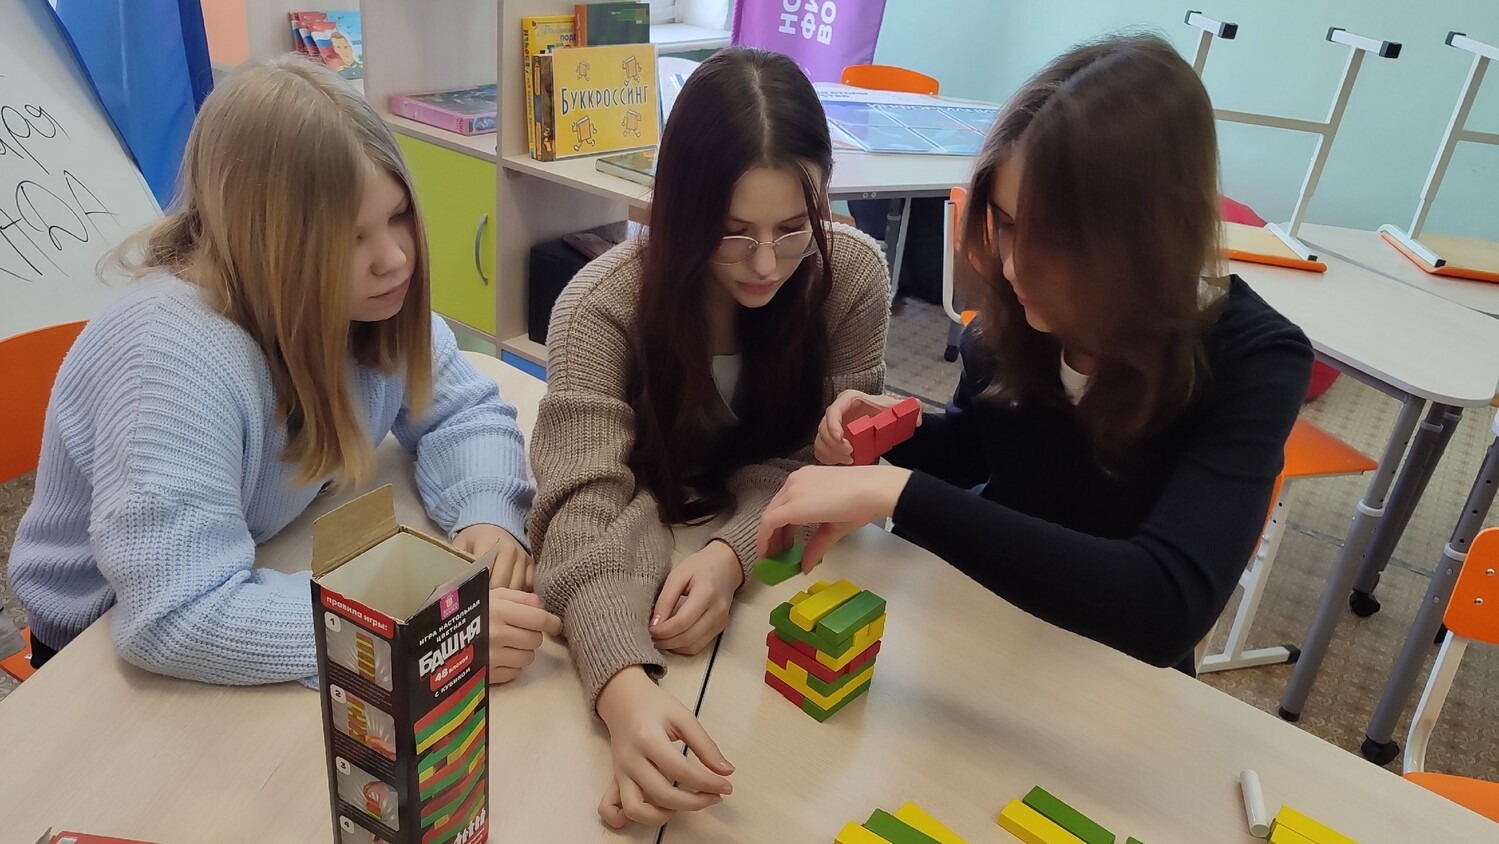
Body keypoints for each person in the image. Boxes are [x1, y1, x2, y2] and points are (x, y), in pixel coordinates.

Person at [757, 34, 1314, 675]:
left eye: (1055, 239)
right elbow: (978, 447)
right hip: (983, 625)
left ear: (1148, 237)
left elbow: (1165, 607)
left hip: (1111, 679)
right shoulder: (1017, 320)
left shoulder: (1253, 359)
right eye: (1006, 222)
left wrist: (898, 492)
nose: (1015, 266)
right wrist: (895, 431)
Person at [10, 56, 557, 687]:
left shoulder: (364, 302)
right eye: (350, 237)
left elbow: (461, 411)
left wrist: (487, 513)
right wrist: (416, 637)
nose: (394, 258)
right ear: (267, 243)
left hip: (256, 553)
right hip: (93, 655)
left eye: (398, 215)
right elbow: (175, 613)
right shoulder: (168, 358)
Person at [528, 47, 891, 827]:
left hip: (781, 579)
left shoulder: (851, 277)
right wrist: (622, 689)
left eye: (793, 229)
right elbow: (578, 512)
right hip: (636, 561)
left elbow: (818, 468)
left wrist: (733, 556)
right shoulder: (598, 309)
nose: (765, 263)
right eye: (731, 233)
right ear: (678, 210)